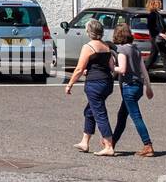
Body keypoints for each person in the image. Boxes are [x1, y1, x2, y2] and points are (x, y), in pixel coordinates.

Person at [65, 18, 116, 156]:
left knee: (99, 113)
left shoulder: (88, 47)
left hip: (95, 84)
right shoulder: (106, 47)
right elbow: (112, 67)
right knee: (90, 111)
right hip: (107, 83)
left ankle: (109, 145)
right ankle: (84, 142)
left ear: (89, 32)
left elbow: (79, 69)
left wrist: (70, 84)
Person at [111, 23, 156, 156]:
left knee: (136, 117)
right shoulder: (136, 49)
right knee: (122, 115)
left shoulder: (122, 50)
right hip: (138, 87)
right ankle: (112, 142)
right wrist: (148, 87)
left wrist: (111, 67)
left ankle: (148, 145)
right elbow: (143, 70)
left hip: (128, 87)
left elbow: (123, 69)